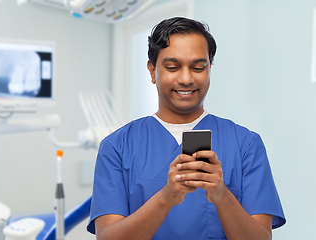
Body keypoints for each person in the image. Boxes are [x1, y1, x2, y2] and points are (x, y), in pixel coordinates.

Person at [86, 17, 286, 240]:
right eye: (172, 67)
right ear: (152, 71)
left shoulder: (245, 144)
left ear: (210, 69)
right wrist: (166, 198)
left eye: (198, 67)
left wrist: (222, 196)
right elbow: (107, 237)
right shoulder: (117, 147)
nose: (186, 78)